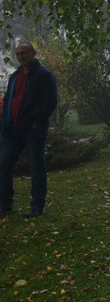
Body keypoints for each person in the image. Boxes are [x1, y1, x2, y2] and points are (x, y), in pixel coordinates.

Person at [0, 42, 58, 218]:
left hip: (33, 130)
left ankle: (37, 206)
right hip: (12, 130)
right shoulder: (14, 76)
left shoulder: (44, 75)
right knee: (3, 165)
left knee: (36, 168)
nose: (20, 57)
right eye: (18, 54)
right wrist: (5, 120)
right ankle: (4, 205)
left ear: (33, 53)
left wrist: (37, 122)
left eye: (24, 53)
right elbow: (9, 99)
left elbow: (51, 101)